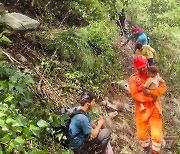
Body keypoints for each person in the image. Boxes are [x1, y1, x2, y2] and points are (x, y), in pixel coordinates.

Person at [129, 55, 166, 154]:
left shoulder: (154, 74)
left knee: (157, 134)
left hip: (155, 107)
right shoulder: (133, 78)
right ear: (136, 68)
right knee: (141, 133)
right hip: (142, 108)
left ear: (147, 65)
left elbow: (163, 88)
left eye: (144, 67)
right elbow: (135, 95)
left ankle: (155, 151)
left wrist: (151, 93)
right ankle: (146, 148)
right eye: (139, 68)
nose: (142, 69)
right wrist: (149, 98)